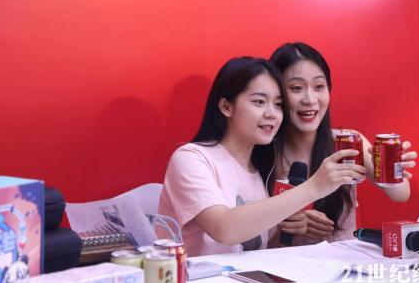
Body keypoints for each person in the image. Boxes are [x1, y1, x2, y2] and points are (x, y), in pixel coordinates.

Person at [157, 56, 366, 256]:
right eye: (259, 102)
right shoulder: (191, 159)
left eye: (278, 104)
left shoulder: (261, 171)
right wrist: (314, 187)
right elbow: (225, 229)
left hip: (248, 280)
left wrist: (290, 226)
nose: (272, 114)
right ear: (226, 106)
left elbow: (260, 251)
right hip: (193, 280)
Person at [253, 42, 418, 246]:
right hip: (278, 263)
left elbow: (401, 195)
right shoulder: (260, 151)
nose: (310, 99)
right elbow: (248, 238)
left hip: (344, 262)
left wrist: (392, 166)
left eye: (319, 87)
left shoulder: (348, 143)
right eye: (296, 88)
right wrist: (289, 224)